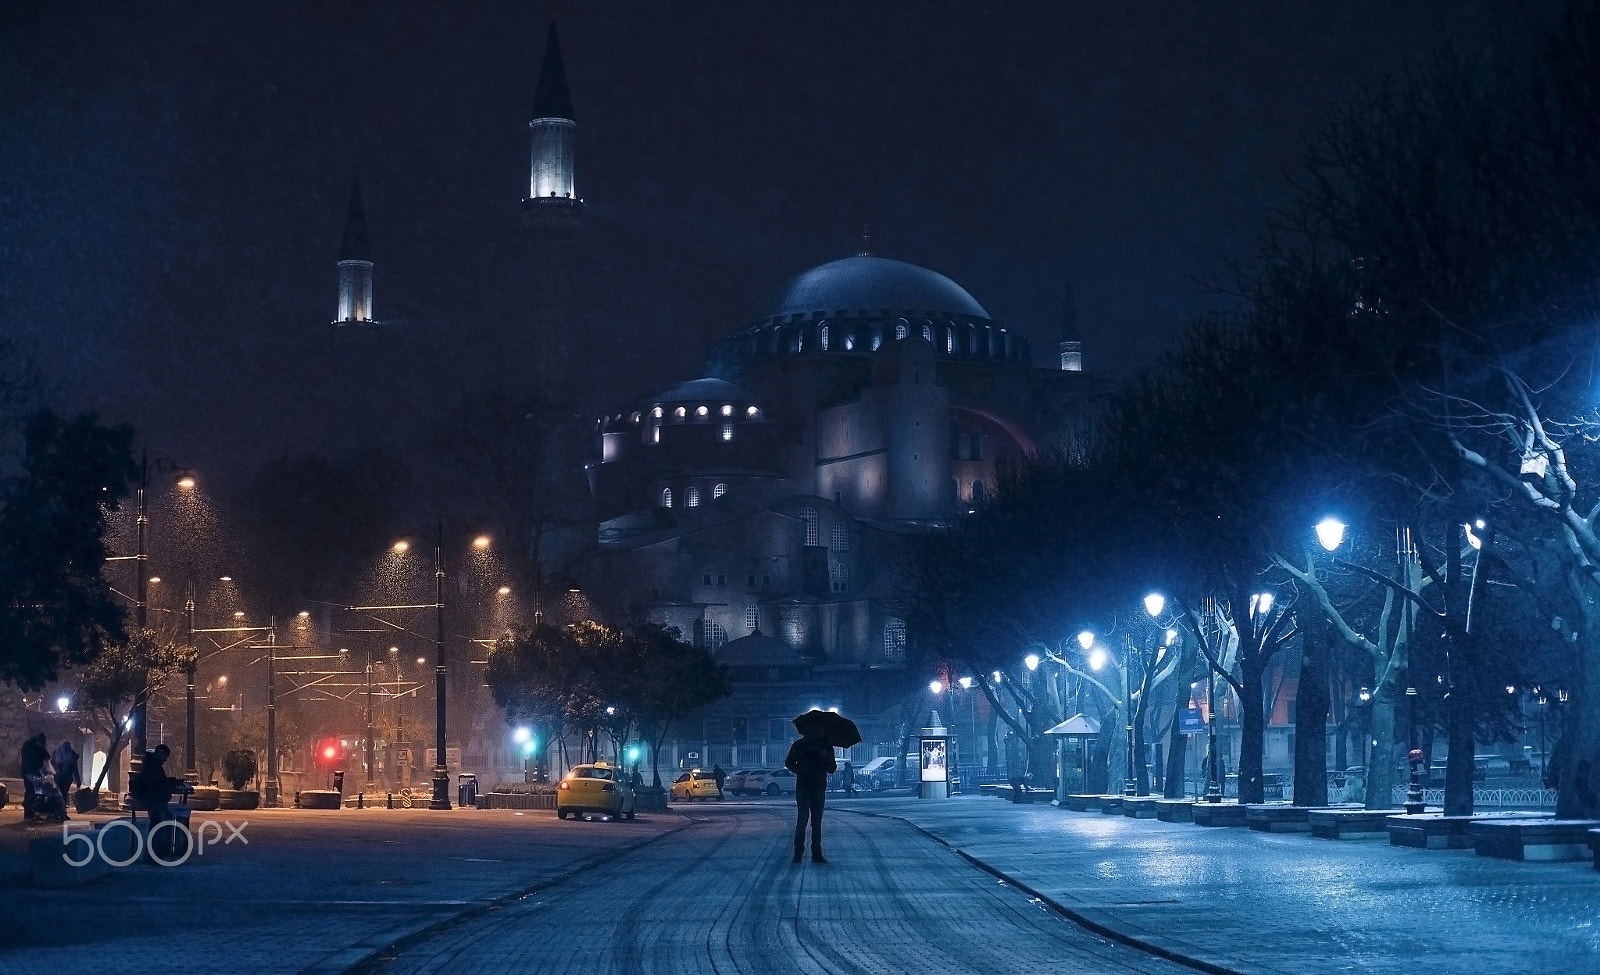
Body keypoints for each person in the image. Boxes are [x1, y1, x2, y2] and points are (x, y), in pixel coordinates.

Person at [784, 724, 836, 863]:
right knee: (816, 822)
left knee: (802, 820)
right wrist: (825, 759)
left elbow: (789, 763)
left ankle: (798, 853)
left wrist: (800, 770)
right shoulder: (825, 746)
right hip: (817, 787)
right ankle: (815, 853)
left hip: (804, 786)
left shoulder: (799, 745)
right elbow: (832, 768)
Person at [130, 744, 183, 834]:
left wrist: (171, 781)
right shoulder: (153, 765)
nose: (165, 760)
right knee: (161, 820)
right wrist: (171, 783)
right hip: (152, 798)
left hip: (151, 797)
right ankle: (156, 842)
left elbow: (159, 780)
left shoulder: (152, 763)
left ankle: (156, 841)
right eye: (165, 757)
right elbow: (157, 782)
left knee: (159, 820)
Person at [20, 733, 48, 822]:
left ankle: (31, 812)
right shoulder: (31, 748)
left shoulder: (31, 746)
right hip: (30, 772)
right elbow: (37, 758)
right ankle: (28, 813)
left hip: (30, 772)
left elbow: (45, 755)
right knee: (31, 792)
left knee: (33, 792)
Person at [53, 739, 81, 810]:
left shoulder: (57, 753)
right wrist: (78, 781)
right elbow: (75, 770)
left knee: (60, 793)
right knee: (64, 793)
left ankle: (59, 809)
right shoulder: (72, 756)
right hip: (67, 778)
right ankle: (62, 810)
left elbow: (52, 764)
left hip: (58, 777)